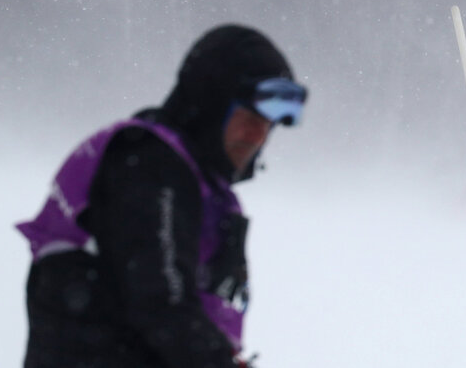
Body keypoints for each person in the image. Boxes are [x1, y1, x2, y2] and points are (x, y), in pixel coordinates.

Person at [16, 24, 308, 368]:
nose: (258, 135)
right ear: (211, 106)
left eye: (267, 125)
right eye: (247, 117)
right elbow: (161, 305)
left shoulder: (192, 181)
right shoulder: (149, 169)